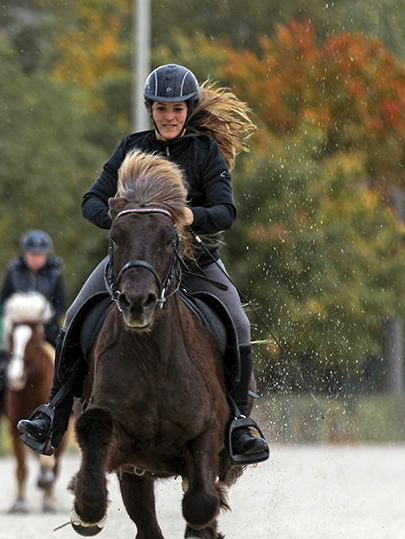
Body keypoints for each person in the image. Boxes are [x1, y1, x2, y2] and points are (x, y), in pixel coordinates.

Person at [17, 63, 269, 464]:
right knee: (76, 318)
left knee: (238, 322)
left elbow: (225, 212)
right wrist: (119, 220)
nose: (169, 117)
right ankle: (54, 415)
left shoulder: (204, 152)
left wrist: (189, 217)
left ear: (188, 110)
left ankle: (239, 424)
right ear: (150, 108)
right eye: (161, 109)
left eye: (177, 110)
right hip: (134, 260)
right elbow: (91, 201)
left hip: (194, 262)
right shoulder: (131, 148)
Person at [0, 229, 67, 444]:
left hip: (43, 331)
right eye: (32, 254)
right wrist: (16, 315)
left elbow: (61, 306)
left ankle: (71, 411)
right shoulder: (13, 272)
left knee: (66, 366)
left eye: (40, 254)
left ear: (46, 255)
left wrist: (45, 317)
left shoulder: (55, 275)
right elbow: (3, 301)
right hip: (18, 330)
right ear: (25, 254)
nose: (36, 258)